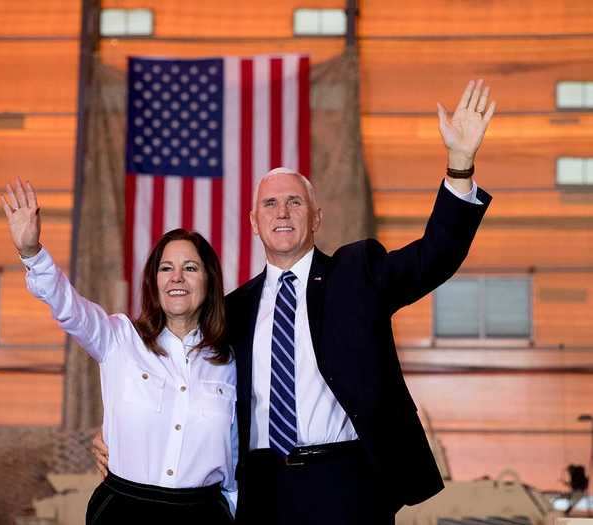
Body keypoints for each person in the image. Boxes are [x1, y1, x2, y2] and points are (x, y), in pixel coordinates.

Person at [93, 79, 496, 524]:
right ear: (253, 222)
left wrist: (460, 164)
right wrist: (122, 434)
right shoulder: (232, 310)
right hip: (262, 488)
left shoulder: (356, 273)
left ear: (317, 217)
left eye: (293, 203)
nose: (281, 213)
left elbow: (434, 256)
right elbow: (185, 382)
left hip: (347, 481)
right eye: (269, 204)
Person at [1, 180, 237, 524]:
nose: (177, 278)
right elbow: (69, 306)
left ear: (209, 280)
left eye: (190, 268)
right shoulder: (118, 337)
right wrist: (32, 253)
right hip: (125, 510)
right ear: (154, 281)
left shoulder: (229, 360)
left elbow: (235, 453)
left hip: (203, 514)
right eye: (166, 268)